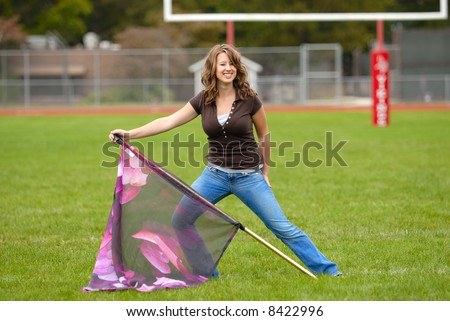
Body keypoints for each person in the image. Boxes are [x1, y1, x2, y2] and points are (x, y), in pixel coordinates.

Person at [109, 44, 341, 277]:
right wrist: (129, 133)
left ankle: (328, 271)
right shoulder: (203, 100)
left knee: (281, 227)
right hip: (214, 176)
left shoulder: (250, 99)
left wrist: (266, 172)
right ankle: (208, 274)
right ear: (213, 69)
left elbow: (264, 136)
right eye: (222, 64)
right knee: (181, 219)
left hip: (248, 177)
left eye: (231, 64)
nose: (228, 68)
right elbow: (168, 121)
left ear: (237, 68)